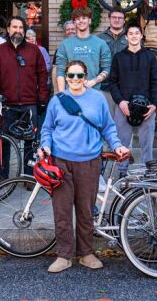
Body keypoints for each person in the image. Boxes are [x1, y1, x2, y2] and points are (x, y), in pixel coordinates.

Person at [38, 60, 129, 273]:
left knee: (86, 210)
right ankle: (64, 255)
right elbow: (47, 128)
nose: (75, 80)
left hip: (89, 161)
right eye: (71, 76)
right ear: (66, 77)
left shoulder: (97, 99)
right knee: (62, 211)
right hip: (61, 161)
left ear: (86, 77)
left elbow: (108, 127)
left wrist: (116, 145)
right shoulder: (57, 101)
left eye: (80, 76)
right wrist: (46, 145)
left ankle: (86, 254)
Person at [0, 16, 49, 181]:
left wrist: (42, 98)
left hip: (30, 103)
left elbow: (43, 75)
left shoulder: (34, 50)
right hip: (7, 104)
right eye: (14, 27)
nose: (18, 30)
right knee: (5, 142)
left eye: (21, 27)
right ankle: (4, 175)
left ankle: (28, 177)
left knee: (30, 141)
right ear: (8, 29)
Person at [108, 24, 157, 175]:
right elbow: (113, 82)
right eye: (131, 33)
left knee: (147, 143)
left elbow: (156, 81)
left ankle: (147, 170)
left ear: (141, 36)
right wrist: (120, 101)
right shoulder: (119, 57)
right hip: (124, 105)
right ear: (126, 37)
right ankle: (122, 171)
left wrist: (155, 104)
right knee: (122, 141)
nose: (134, 36)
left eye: (137, 33)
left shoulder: (150, 57)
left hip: (147, 107)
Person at [54, 6, 111, 93]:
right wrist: (62, 95)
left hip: (93, 92)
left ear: (90, 20)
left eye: (84, 18)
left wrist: (94, 81)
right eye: (78, 19)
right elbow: (60, 71)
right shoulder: (65, 44)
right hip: (70, 94)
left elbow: (106, 68)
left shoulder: (101, 44)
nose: (81, 21)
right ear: (74, 22)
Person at [98, 9, 128, 115]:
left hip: (126, 86)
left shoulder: (131, 37)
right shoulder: (99, 38)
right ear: (109, 19)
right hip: (105, 85)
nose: (117, 20)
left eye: (120, 18)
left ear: (124, 21)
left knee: (124, 121)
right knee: (107, 118)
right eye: (114, 17)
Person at [52, 20, 77, 89]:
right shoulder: (60, 48)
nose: (70, 31)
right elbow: (55, 69)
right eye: (68, 30)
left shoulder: (84, 46)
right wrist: (56, 90)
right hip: (66, 86)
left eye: (73, 29)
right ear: (65, 32)